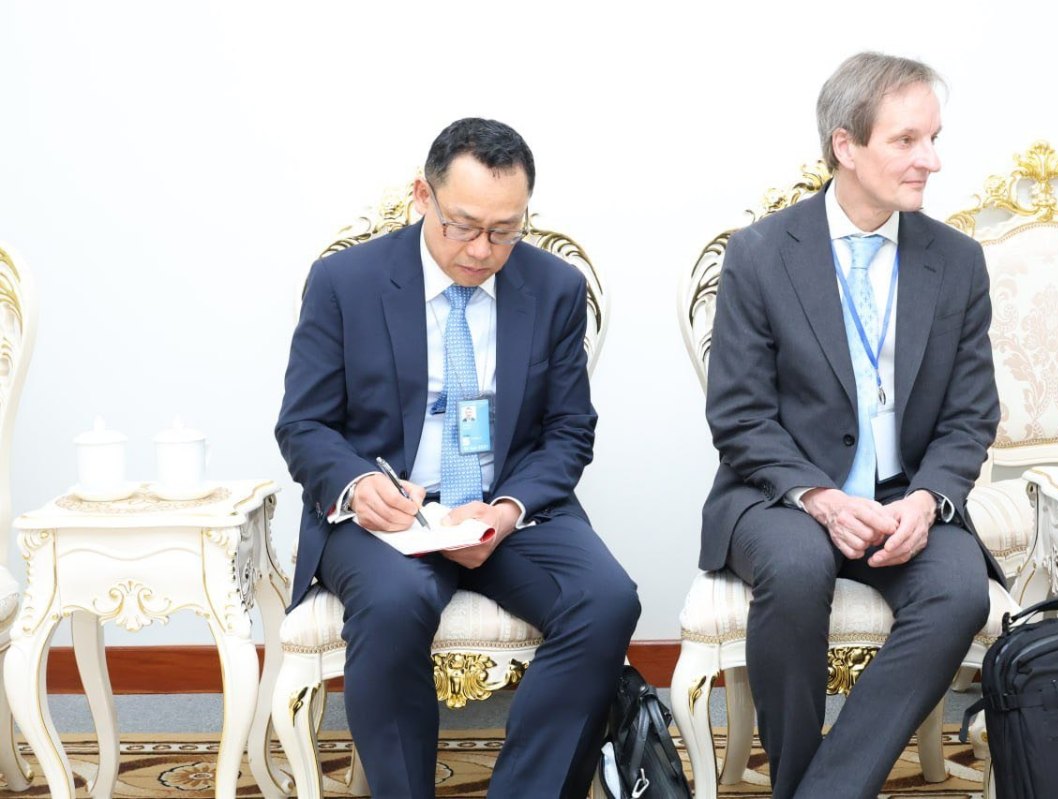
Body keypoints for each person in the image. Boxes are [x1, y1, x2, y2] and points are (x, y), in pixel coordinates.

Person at [277, 117, 640, 798]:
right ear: (424, 195)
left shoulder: (555, 288)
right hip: (389, 512)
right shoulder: (345, 282)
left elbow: (569, 429)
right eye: (464, 226)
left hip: (503, 507)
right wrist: (356, 484)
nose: (481, 250)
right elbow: (304, 423)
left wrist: (505, 510)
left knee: (606, 599)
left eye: (505, 231)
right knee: (394, 603)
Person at [699, 52, 1002, 799]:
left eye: (933, 139)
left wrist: (926, 501)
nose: (930, 160)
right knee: (797, 570)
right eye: (906, 140)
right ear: (846, 145)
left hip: (905, 493)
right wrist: (823, 499)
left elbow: (970, 414)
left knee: (959, 591)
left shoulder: (957, 261)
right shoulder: (761, 254)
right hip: (785, 495)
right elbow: (739, 415)